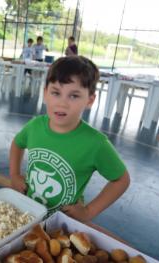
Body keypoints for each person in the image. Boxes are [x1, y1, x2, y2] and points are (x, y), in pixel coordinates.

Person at [9, 56, 130, 222]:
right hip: (27, 213)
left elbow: (121, 180)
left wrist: (88, 212)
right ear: (45, 93)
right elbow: (17, 143)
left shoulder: (95, 143)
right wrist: (14, 174)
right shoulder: (35, 126)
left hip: (62, 223)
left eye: (74, 96)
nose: (62, 103)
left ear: (89, 100)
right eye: (56, 93)